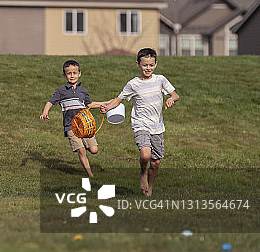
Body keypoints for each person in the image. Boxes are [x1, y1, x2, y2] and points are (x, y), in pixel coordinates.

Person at [98, 48, 179, 196]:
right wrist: (107, 108)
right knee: (145, 155)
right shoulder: (133, 84)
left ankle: (150, 186)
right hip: (140, 124)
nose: (148, 68)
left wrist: (170, 99)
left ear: (155, 64)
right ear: (138, 65)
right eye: (145, 65)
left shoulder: (160, 80)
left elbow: (175, 95)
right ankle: (143, 172)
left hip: (157, 126)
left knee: (155, 163)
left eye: (151, 65)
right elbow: (119, 99)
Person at [40, 60, 103, 178]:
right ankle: (90, 175)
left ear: (79, 74)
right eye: (69, 73)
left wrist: (106, 104)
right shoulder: (61, 91)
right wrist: (45, 112)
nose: (72, 75)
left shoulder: (83, 91)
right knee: (81, 151)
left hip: (85, 125)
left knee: (94, 150)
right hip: (71, 126)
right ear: (65, 75)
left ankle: (85, 147)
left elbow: (90, 104)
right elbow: (50, 102)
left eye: (74, 73)